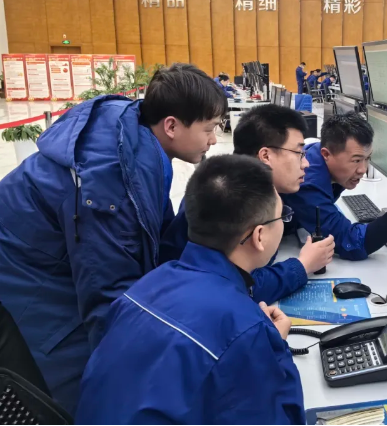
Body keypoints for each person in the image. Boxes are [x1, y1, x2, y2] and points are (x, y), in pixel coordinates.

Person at [0, 63, 227, 413]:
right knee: (86, 391)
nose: (213, 140)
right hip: (27, 275)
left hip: (50, 255)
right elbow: (108, 294)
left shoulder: (138, 141)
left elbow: (154, 240)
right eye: (209, 129)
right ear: (171, 126)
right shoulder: (110, 182)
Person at [76, 155, 305, 424]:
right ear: (259, 236)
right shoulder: (247, 332)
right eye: (282, 216)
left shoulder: (145, 286)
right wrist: (275, 349)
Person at [160, 105, 335, 304]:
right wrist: (303, 266)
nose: (306, 164)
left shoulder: (231, 181)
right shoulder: (229, 200)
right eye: (299, 153)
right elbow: (241, 287)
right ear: (265, 156)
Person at [282, 113, 387, 260]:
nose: (363, 169)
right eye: (356, 160)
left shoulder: (319, 154)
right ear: (326, 154)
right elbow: (352, 243)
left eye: (367, 158)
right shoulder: (307, 182)